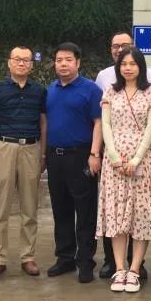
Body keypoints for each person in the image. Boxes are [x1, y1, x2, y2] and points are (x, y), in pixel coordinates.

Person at [97, 47, 151, 293]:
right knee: (116, 216)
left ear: (141, 66)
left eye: (133, 64)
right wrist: (113, 157)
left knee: (140, 215)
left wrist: (136, 159)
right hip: (113, 162)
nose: (128, 68)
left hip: (142, 161)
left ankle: (134, 270)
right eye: (124, 64)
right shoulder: (110, 91)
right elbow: (105, 124)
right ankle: (119, 268)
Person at [0, 46, 48, 278]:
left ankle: (27, 257)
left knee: (30, 207)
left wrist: (43, 153)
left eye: (26, 60)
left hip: (31, 148)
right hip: (5, 147)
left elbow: (43, 122)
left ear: (32, 64)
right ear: (9, 62)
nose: (22, 63)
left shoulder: (39, 91)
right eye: (17, 59)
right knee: (1, 207)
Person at [46, 42, 103, 283]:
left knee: (85, 210)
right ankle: (65, 257)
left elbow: (99, 123)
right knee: (61, 209)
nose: (63, 64)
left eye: (68, 60)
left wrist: (94, 154)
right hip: (54, 157)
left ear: (78, 62)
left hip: (81, 156)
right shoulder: (51, 89)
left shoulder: (91, 90)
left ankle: (85, 261)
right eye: (59, 60)